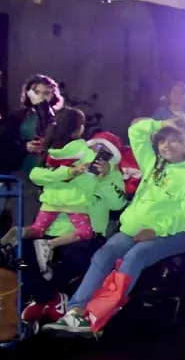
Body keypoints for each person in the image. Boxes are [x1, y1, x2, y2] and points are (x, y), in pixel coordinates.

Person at [43, 118, 185, 335]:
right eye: (163, 141)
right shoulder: (153, 164)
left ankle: (94, 318)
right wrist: (162, 123)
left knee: (135, 256)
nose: (167, 145)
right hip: (136, 229)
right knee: (105, 254)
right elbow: (136, 131)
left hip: (175, 233)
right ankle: (75, 310)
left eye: (175, 140)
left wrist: (156, 230)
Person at [19, 133, 128, 326]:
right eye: (96, 148)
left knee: (76, 257)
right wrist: (69, 173)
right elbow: (37, 176)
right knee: (24, 251)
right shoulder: (70, 163)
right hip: (52, 230)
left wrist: (103, 179)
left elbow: (118, 204)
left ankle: (44, 298)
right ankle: (49, 298)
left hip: (88, 234)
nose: (98, 154)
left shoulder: (113, 174)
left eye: (106, 153)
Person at [9, 108, 97, 276]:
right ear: (78, 129)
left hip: (50, 201)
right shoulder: (82, 149)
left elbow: (36, 174)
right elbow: (93, 175)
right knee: (85, 232)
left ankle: (18, 231)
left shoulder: (51, 150)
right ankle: (50, 246)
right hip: (72, 202)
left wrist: (60, 175)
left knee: (36, 229)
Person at [0, 74, 62, 226]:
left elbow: (53, 134)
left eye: (46, 93)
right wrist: (24, 147)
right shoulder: (19, 116)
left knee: (38, 221)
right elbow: (4, 142)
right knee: (21, 217)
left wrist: (42, 107)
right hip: (20, 171)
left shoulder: (59, 117)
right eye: (37, 92)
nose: (41, 97)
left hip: (46, 174)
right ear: (29, 93)